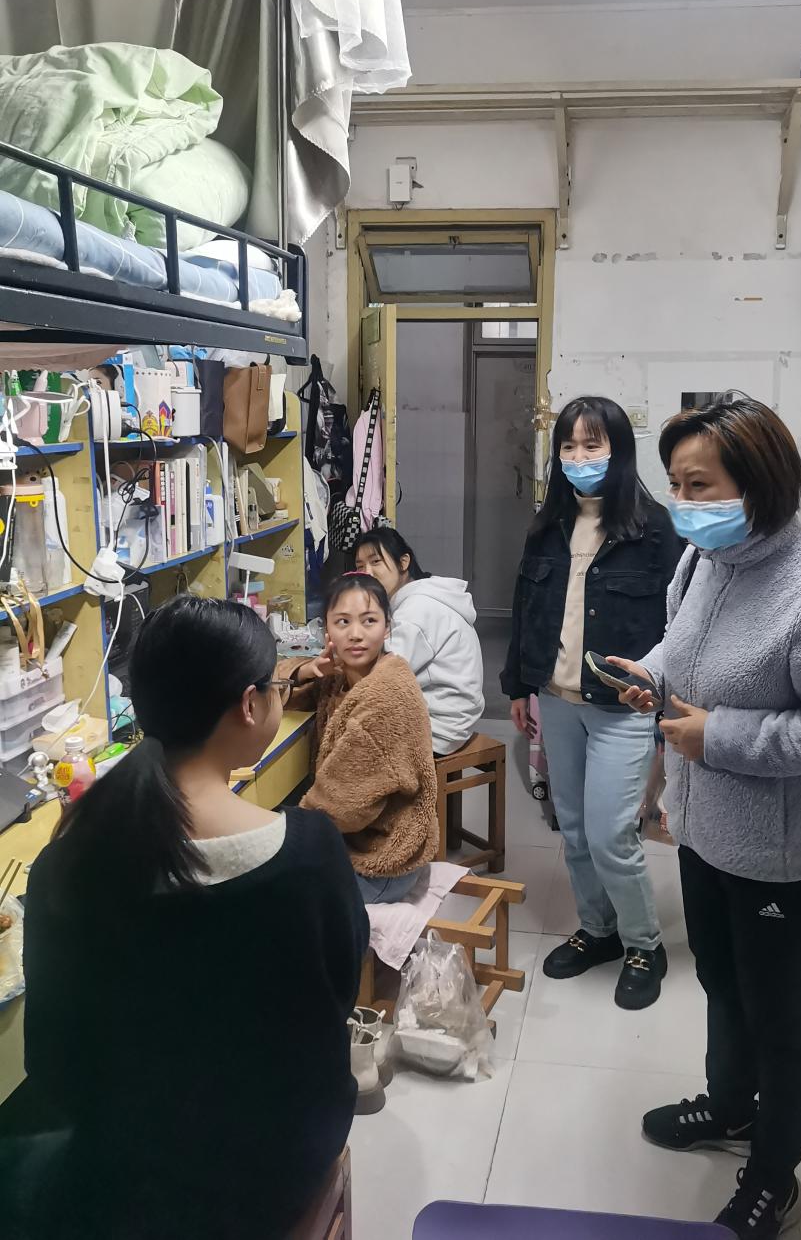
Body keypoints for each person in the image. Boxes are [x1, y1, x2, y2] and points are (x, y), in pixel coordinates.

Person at [612, 398, 801, 1239]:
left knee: (781, 1019)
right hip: (704, 834)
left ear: (758, 483)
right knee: (722, 986)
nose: (682, 502)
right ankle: (730, 1105)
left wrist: (716, 735)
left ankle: (774, 1177)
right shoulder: (702, 560)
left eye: (700, 485)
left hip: (786, 860)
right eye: (676, 483)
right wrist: (651, 676)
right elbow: (685, 648)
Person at [15, 596, 367, 1240]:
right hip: (278, 1166)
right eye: (275, 686)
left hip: (124, 1180)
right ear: (249, 705)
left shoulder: (66, 864)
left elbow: (53, 1066)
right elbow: (338, 995)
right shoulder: (309, 853)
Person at [502, 395, 682, 1010]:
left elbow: (680, 623)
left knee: (610, 835)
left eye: (592, 445)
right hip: (555, 700)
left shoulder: (654, 529)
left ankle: (644, 943)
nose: (579, 457)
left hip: (619, 708)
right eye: (569, 446)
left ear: (618, 451)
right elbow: (526, 608)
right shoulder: (547, 525)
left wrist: (666, 698)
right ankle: (598, 929)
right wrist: (518, 686)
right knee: (574, 829)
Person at [285, 572, 439, 904]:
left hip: (381, 862)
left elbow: (342, 807)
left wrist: (278, 835)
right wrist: (307, 670)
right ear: (326, 630)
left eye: (369, 621)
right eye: (343, 622)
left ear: (387, 628)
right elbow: (278, 690)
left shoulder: (385, 697)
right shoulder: (342, 676)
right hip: (356, 841)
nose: (355, 634)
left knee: (270, 892)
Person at [353, 527, 484, 756]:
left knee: (346, 728)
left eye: (376, 562)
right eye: (360, 566)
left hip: (439, 727)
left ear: (403, 562)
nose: (367, 573)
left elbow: (382, 674)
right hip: (457, 715)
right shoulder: (426, 592)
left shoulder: (416, 609)